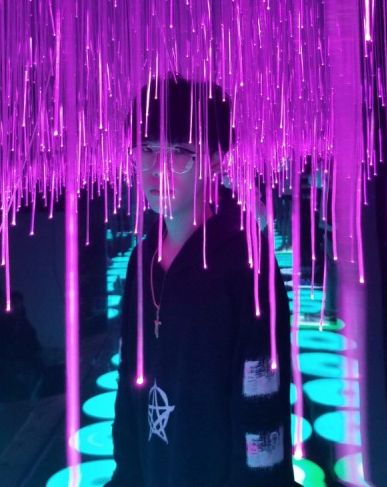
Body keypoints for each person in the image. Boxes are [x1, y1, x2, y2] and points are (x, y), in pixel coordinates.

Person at [105, 75, 297, 487]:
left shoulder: (247, 263)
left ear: (214, 159)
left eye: (179, 152)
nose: (157, 169)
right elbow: (128, 387)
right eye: (147, 149)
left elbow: (262, 410)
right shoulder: (143, 258)